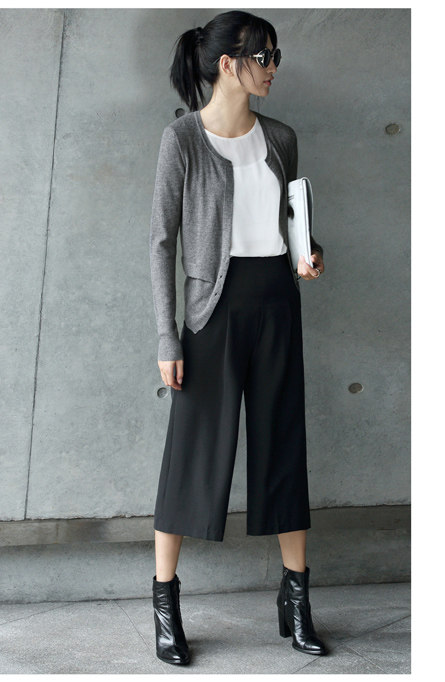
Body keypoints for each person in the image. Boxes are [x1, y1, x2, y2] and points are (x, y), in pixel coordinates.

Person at [148, 11, 328, 665]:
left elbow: (290, 222)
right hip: (210, 314)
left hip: (277, 301)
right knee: (192, 456)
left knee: (283, 448)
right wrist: (167, 338)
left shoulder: (281, 137)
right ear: (229, 64)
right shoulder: (182, 140)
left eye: (277, 55)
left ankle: (297, 600)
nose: (274, 67)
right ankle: (165, 605)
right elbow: (161, 243)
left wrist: (310, 253)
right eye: (264, 56)